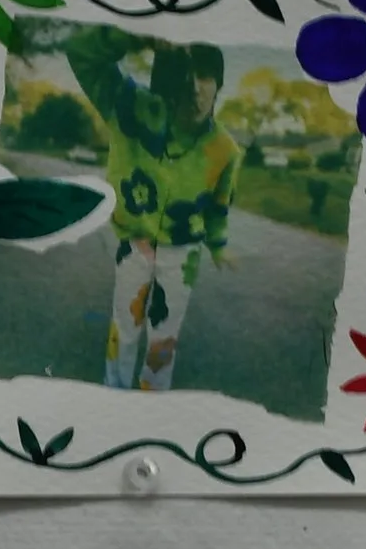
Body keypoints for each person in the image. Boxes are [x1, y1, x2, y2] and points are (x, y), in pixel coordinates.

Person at [54, 30, 240, 392]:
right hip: (134, 244)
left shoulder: (225, 149)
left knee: (164, 336)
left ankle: (152, 399)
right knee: (125, 325)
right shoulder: (130, 107)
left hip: (183, 253)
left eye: (205, 76)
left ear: (219, 83)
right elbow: (79, 50)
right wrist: (136, 36)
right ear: (168, 77)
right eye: (186, 74)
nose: (196, 88)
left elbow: (219, 207)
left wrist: (218, 246)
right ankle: (115, 391)